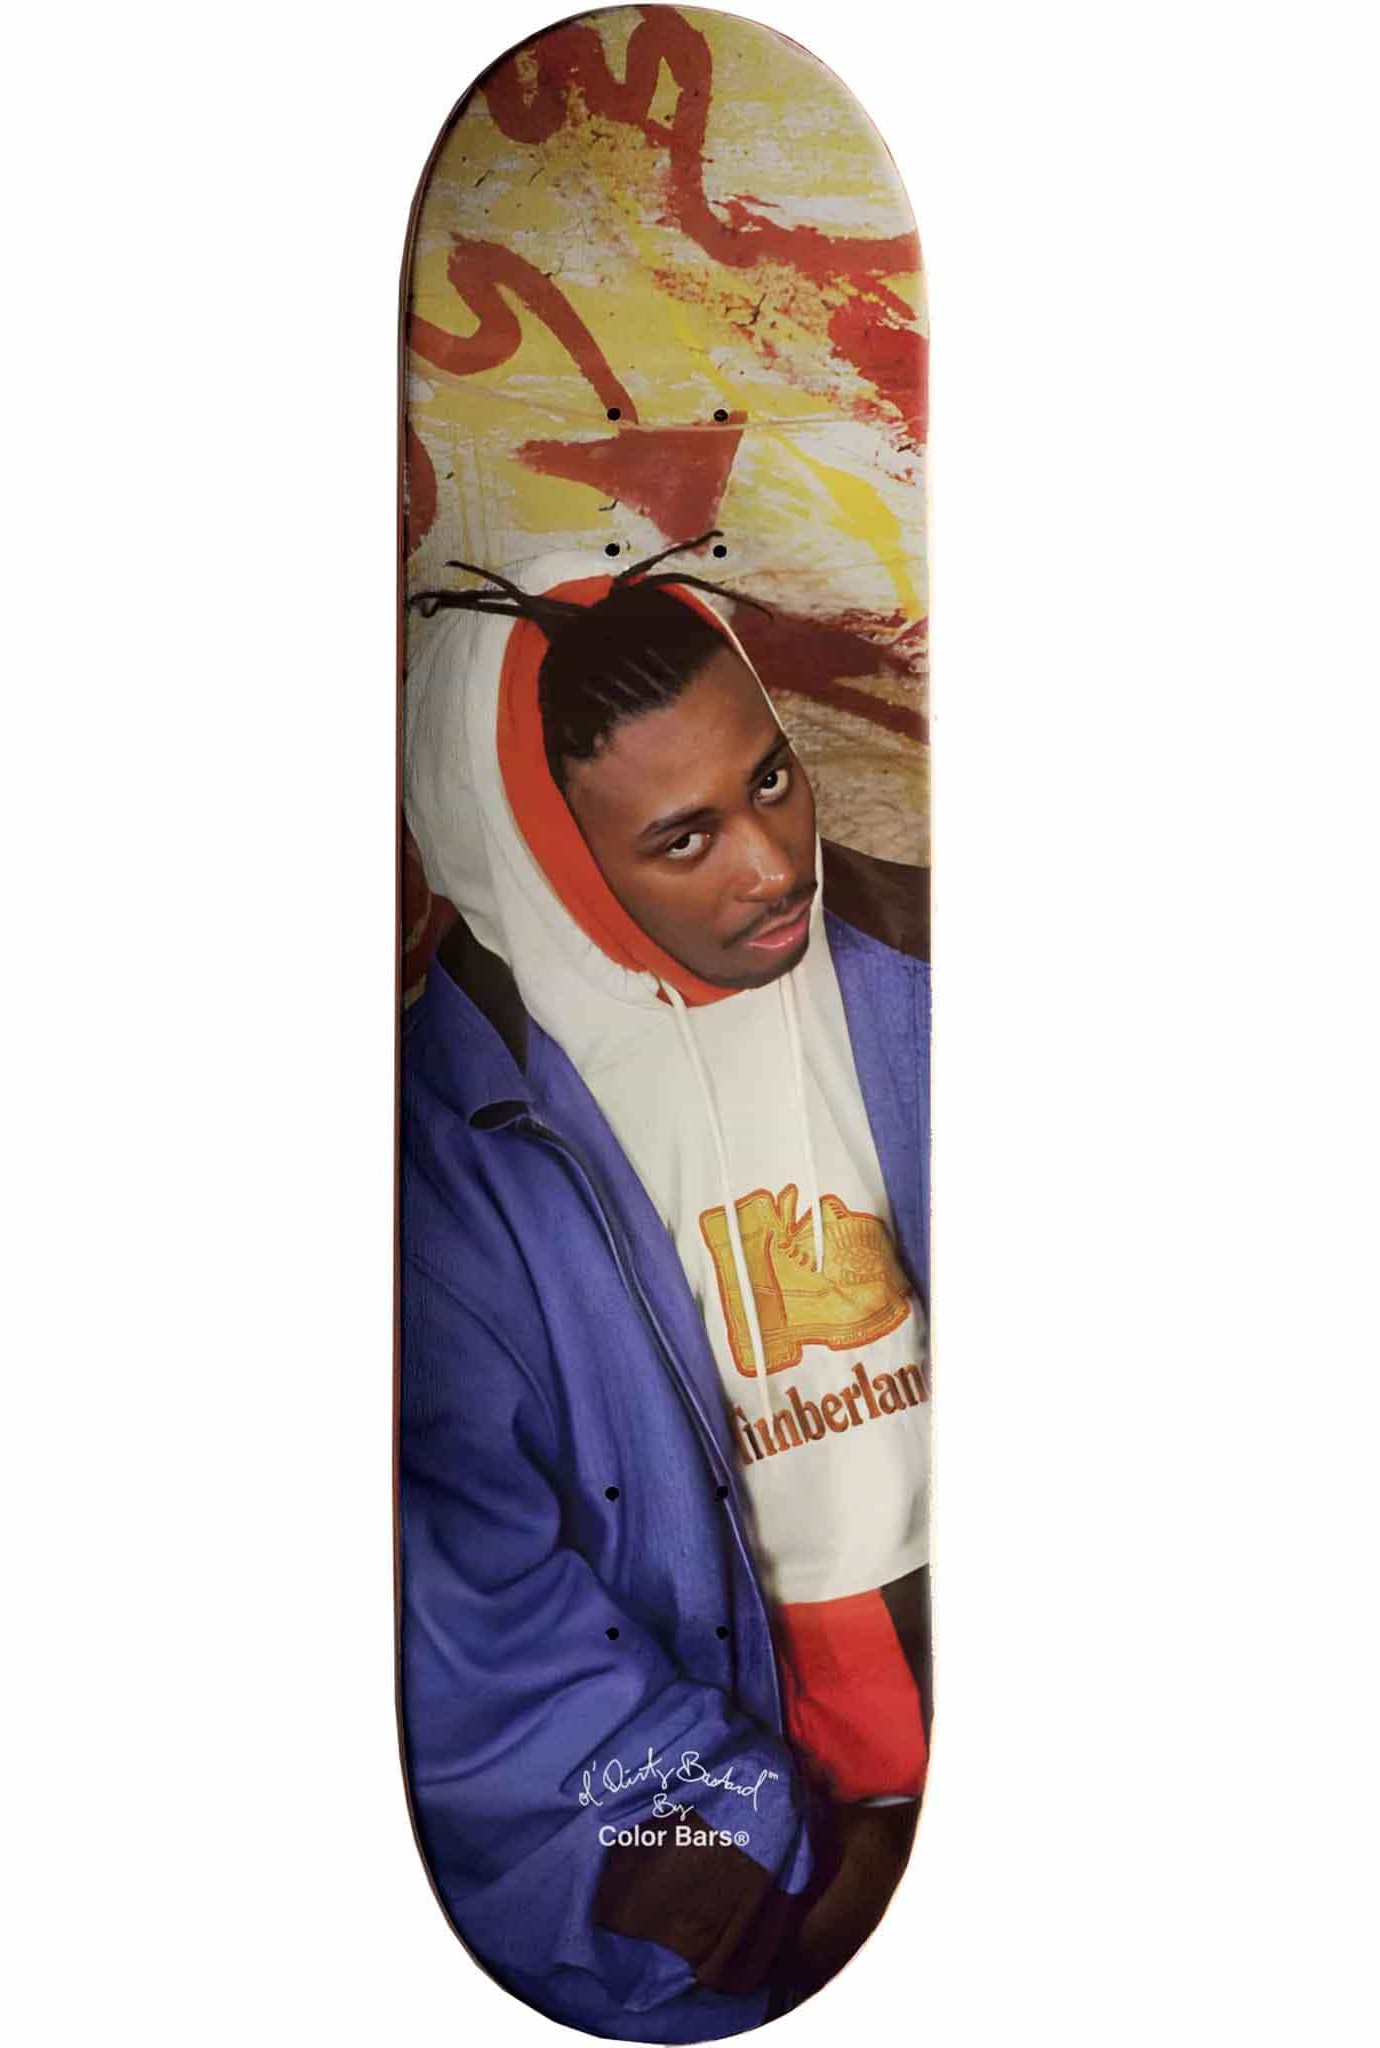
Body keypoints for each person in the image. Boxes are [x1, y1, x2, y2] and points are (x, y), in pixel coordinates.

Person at [398, 532, 930, 2041]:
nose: (773, 862)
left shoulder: (928, 966)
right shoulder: (446, 1181)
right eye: (684, 839)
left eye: (772, 779)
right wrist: (788, 1890)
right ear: (538, 864)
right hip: (787, 1859)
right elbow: (476, 1644)